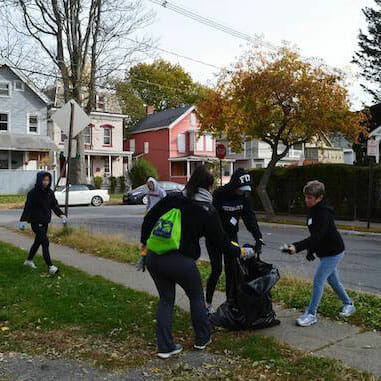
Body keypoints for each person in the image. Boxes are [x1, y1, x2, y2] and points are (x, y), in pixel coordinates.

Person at [138, 166, 255, 359]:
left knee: (166, 300)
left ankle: (165, 347)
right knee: (196, 297)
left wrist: (144, 247)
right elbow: (223, 243)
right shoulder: (207, 210)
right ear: (208, 187)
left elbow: (149, 219)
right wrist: (242, 251)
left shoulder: (173, 197)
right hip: (181, 261)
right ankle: (202, 339)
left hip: (155, 258)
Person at [283, 180, 355, 327]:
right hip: (324, 251)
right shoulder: (314, 210)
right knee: (333, 281)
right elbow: (315, 235)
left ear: (319, 197)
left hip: (334, 252)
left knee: (318, 281)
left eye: (310, 198)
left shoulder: (323, 214)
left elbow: (316, 237)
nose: (306, 200)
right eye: (306, 197)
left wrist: (297, 247)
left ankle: (311, 314)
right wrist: (311, 250)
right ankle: (349, 304)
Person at [205, 168, 264, 312]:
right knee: (217, 269)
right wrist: (221, 233)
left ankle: (230, 303)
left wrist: (258, 236)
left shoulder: (244, 198)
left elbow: (250, 218)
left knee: (232, 270)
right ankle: (207, 304)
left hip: (232, 237)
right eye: (240, 189)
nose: (242, 192)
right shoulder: (220, 194)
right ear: (233, 185)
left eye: (244, 190)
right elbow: (212, 218)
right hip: (215, 237)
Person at [19, 171, 67, 274]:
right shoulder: (32, 193)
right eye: (44, 180)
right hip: (36, 222)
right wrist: (22, 221)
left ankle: (28, 261)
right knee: (45, 242)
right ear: (39, 180)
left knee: (37, 242)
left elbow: (54, 205)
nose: (46, 182)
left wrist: (61, 215)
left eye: (48, 180)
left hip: (45, 222)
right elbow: (28, 207)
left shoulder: (50, 192)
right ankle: (50, 267)